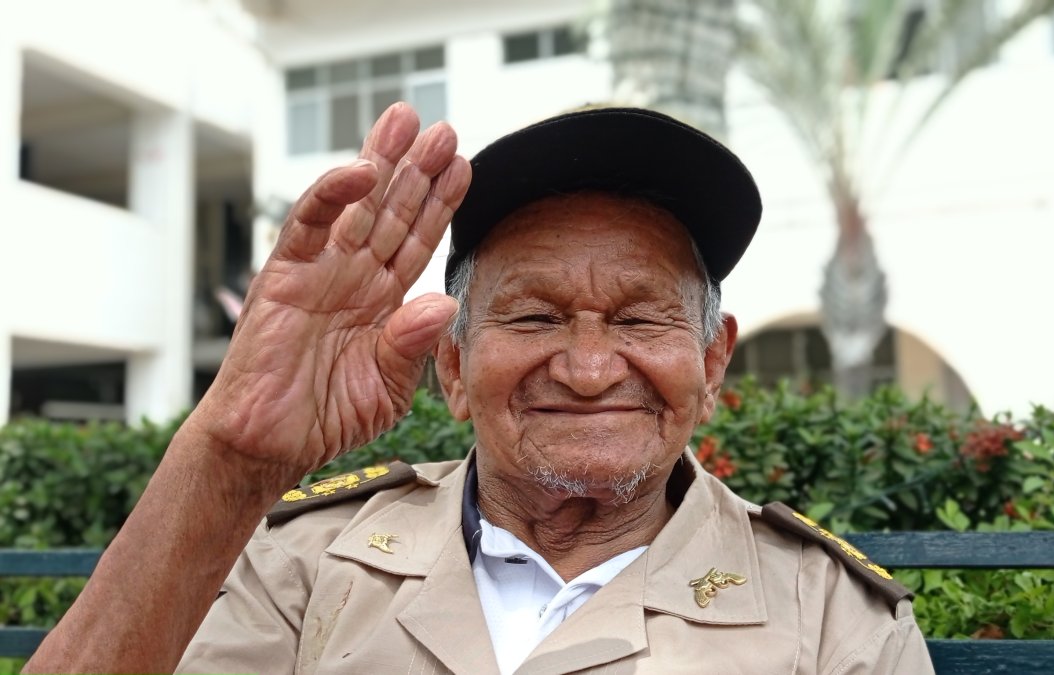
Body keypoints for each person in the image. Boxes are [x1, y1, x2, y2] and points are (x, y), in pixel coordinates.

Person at [23, 104, 933, 675]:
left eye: (639, 319)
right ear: (452, 367)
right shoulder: (304, 568)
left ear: (712, 363)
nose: (586, 368)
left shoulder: (833, 621)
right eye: (534, 318)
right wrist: (230, 454)